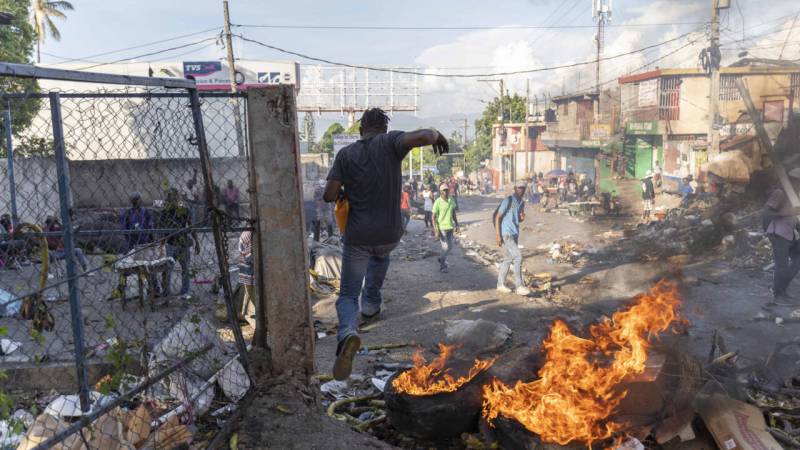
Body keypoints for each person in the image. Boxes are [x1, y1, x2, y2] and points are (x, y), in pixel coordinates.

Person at [323, 107, 449, 380]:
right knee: (381, 256)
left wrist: (345, 189)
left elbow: (328, 194)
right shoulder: (391, 142)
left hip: (358, 236)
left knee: (346, 295)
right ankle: (371, 305)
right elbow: (424, 135)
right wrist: (436, 135)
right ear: (384, 127)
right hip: (390, 234)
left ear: (361, 130)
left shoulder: (346, 154)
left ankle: (347, 332)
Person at [160, 188, 200, 298]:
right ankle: (166, 292)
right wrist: (161, 246)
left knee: (185, 269)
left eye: (174, 196)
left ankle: (185, 291)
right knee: (167, 270)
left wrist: (197, 241)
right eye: (170, 197)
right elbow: (162, 229)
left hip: (183, 244)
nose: (172, 199)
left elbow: (191, 226)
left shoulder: (184, 210)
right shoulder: (165, 212)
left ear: (177, 197)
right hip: (170, 243)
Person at [763, 188, 800, 304]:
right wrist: (785, 213)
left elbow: (795, 218)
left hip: (789, 233)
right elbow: (766, 212)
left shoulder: (794, 195)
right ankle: (779, 295)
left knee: (798, 258)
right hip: (778, 233)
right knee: (782, 265)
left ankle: (781, 287)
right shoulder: (780, 193)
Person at [495, 180, 531, 296]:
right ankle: (519, 286)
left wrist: (522, 218)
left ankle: (500, 284)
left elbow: (518, 218)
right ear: (515, 189)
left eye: (523, 188)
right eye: (519, 188)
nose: (521, 190)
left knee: (508, 259)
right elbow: (498, 217)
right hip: (506, 233)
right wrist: (498, 235)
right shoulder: (508, 200)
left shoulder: (521, 202)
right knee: (518, 257)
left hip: (515, 234)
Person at [432, 183, 458, 273]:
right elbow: (433, 217)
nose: (446, 192)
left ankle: (441, 258)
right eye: (444, 190)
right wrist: (435, 230)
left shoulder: (451, 199)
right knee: (445, 248)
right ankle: (442, 267)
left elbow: (453, 213)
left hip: (450, 227)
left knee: (450, 247)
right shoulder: (437, 202)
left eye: (447, 190)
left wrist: (457, 224)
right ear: (441, 191)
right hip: (442, 228)